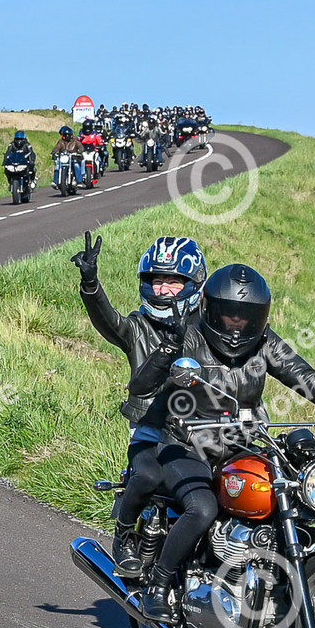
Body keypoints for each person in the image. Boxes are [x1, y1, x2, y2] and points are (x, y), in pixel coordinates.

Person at [132, 264, 315, 622]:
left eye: (246, 317)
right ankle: (159, 585)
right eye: (229, 315)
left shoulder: (265, 342)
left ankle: (280, 588)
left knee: (294, 493)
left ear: (261, 317)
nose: (237, 325)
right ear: (209, 308)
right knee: (202, 509)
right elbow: (142, 386)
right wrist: (168, 349)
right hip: (188, 444)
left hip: (245, 443)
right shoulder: (188, 335)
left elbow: (304, 375)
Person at [72, 233, 206, 577]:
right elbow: (108, 322)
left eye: (173, 281)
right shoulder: (138, 326)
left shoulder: (207, 327)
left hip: (204, 429)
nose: (163, 290)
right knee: (147, 475)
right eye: (157, 280)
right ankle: (124, 535)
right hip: (151, 427)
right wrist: (91, 284)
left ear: (194, 283)